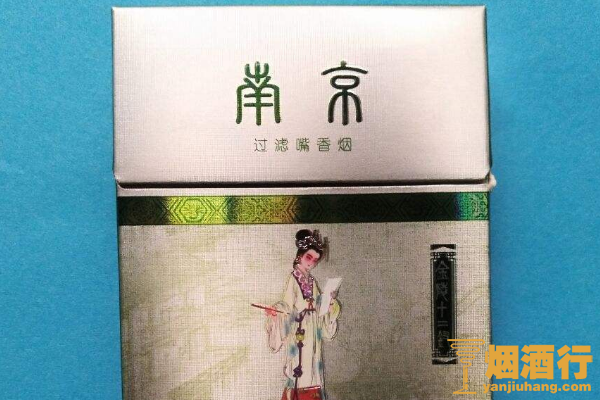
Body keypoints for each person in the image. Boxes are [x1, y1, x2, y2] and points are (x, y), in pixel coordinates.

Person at [265, 229, 341, 400]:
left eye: (315, 260)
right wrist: (276, 312)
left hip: (313, 333)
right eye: (309, 257)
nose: (311, 263)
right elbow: (286, 305)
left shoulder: (312, 281)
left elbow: (319, 306)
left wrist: (329, 301)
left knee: (313, 370)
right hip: (299, 332)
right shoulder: (293, 279)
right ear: (299, 256)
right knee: (299, 371)